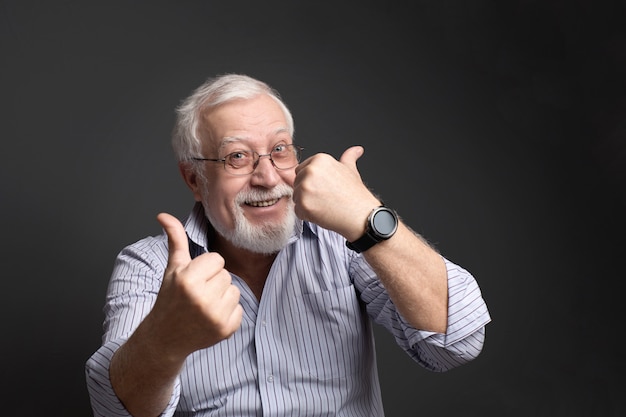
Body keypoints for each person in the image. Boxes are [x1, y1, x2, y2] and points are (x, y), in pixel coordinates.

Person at [85, 73, 491, 417]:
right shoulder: (150, 265)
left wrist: (367, 217)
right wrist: (166, 337)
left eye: (279, 150)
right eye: (238, 157)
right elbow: (114, 408)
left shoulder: (343, 237)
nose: (267, 177)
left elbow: (457, 342)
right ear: (194, 179)